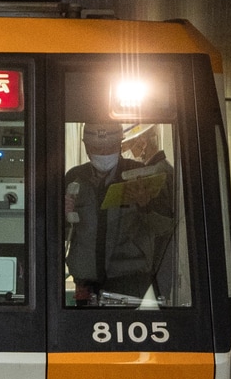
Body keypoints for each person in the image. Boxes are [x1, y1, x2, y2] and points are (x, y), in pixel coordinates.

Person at [64, 121, 176, 305]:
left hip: (130, 283)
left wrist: (145, 206)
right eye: (97, 148)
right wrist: (63, 215)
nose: (103, 153)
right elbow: (63, 232)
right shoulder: (74, 178)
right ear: (86, 147)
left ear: (120, 145)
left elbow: (165, 229)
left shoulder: (140, 175)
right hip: (85, 284)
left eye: (110, 147)